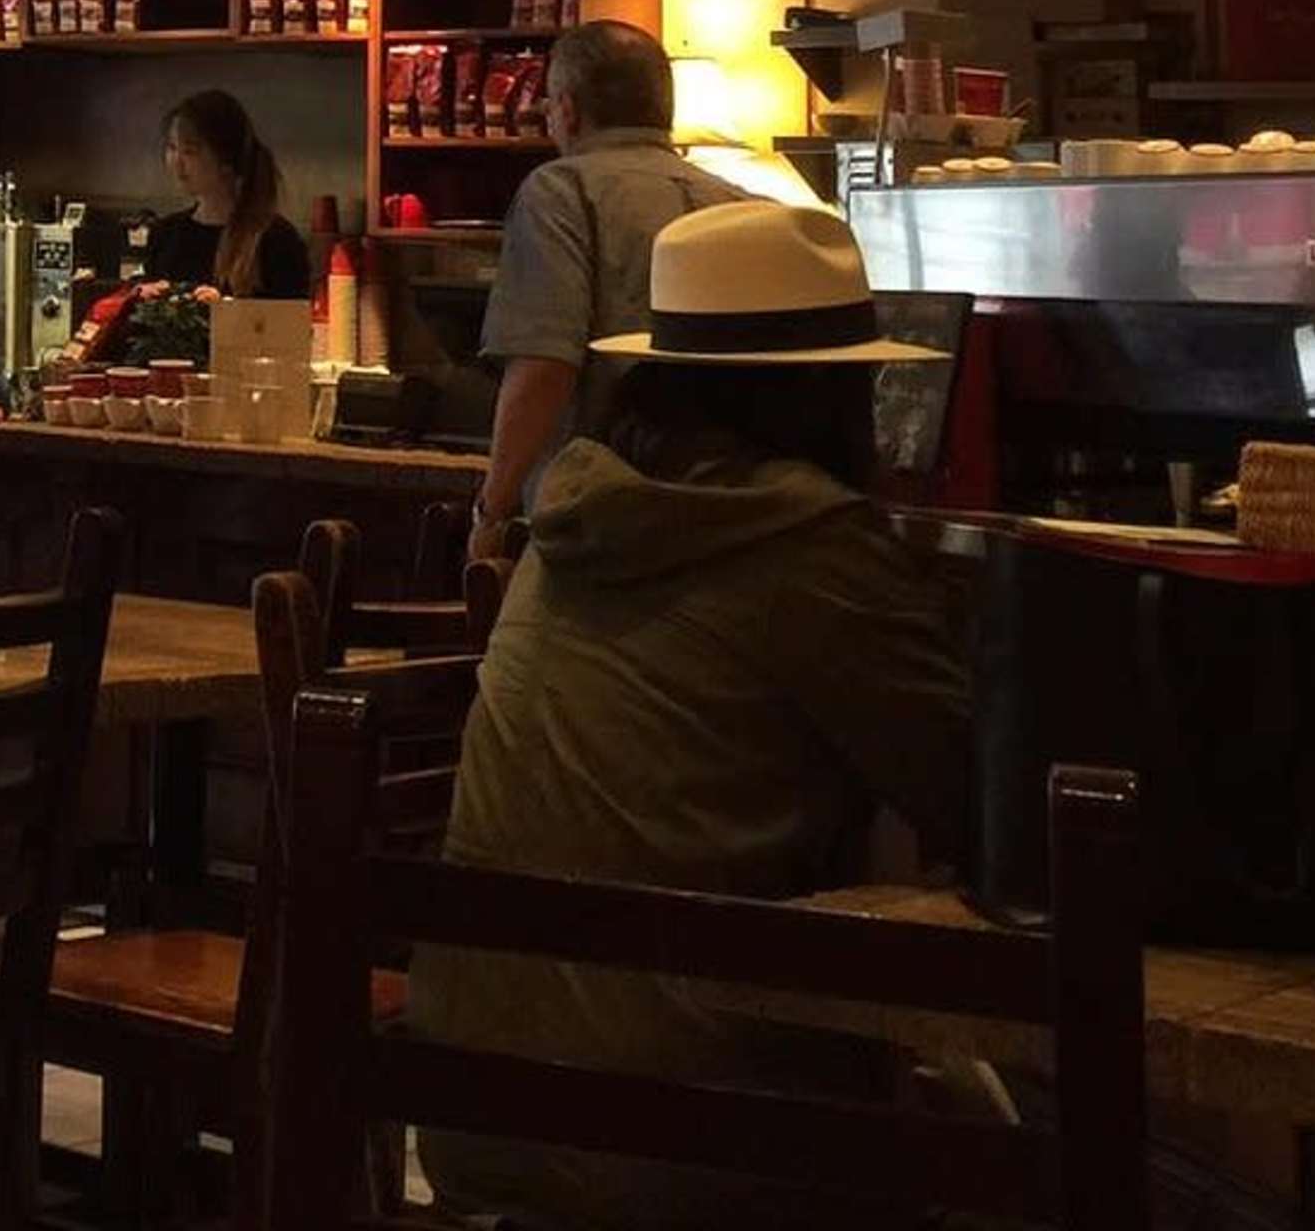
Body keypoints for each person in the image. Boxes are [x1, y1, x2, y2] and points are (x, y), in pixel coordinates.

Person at [409, 202, 965, 1230]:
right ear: (836, 388)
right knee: (1009, 1143)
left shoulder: (577, 506)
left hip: (471, 1111)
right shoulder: (812, 544)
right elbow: (973, 797)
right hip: (689, 1139)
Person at [468, 21, 746, 542]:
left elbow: (543, 366)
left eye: (548, 104)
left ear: (568, 110)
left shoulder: (560, 191)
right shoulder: (738, 204)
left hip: (596, 521)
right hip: (717, 519)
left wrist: (492, 511)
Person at [146, 90, 311, 299]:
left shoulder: (274, 240)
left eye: (190, 151)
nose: (176, 161)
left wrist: (224, 311)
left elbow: (287, 323)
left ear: (225, 160)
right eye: (171, 147)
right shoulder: (165, 235)